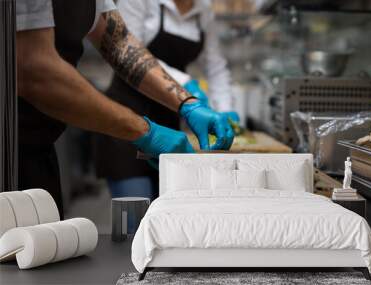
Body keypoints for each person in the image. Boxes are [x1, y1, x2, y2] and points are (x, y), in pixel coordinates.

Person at [16, 0, 234, 219]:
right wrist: (147, 131)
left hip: (39, 148)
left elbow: (120, 43)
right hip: (9, 150)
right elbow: (34, 69)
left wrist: (187, 103)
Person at [95, 0, 240, 200]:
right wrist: (185, 86)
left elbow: (215, 66)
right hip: (127, 115)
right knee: (134, 219)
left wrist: (225, 110)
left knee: (166, 210)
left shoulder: (203, 10)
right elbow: (128, 50)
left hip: (170, 121)